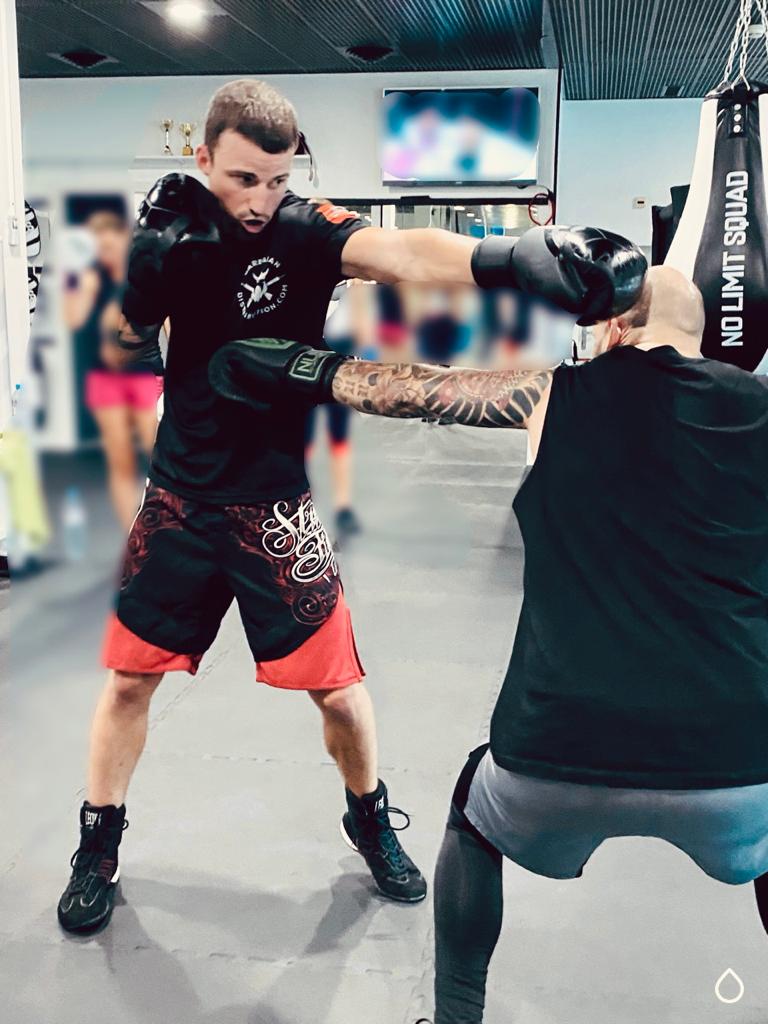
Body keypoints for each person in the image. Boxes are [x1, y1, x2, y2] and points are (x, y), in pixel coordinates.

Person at [209, 262, 768, 1024]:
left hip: (556, 746)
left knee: (473, 816)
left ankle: (456, 1017)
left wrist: (302, 369)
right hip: (740, 754)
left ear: (611, 328)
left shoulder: (551, 394)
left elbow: (415, 390)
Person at [57, 75, 539, 935]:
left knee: (342, 694)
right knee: (129, 682)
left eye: (277, 179)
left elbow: (404, 255)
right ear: (203, 156)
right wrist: (137, 293)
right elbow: (124, 356)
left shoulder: (306, 229)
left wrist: (510, 260)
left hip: (275, 506)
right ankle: (97, 844)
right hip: (179, 500)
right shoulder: (174, 232)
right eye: (244, 178)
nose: (260, 198)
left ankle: (368, 819)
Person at [61, 210, 162, 531]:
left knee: (152, 454)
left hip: (144, 372)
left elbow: (173, 327)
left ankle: (154, 525)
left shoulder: (148, 280)